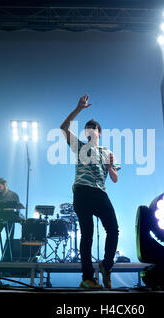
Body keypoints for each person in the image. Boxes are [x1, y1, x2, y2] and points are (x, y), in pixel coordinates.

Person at [60, 94, 120, 289]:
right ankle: (87, 278)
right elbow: (63, 127)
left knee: (113, 229)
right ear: (86, 132)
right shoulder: (79, 146)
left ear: (99, 133)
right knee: (87, 234)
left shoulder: (106, 151)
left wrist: (110, 167)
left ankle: (106, 265)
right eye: (88, 128)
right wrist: (78, 109)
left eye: (94, 128)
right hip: (82, 191)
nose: (91, 130)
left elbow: (115, 178)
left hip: (100, 193)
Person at [0, 178, 21, 261]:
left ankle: (6, 258)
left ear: (5, 185)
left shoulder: (14, 195)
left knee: (9, 238)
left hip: (10, 218)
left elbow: (18, 208)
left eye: (0, 187)